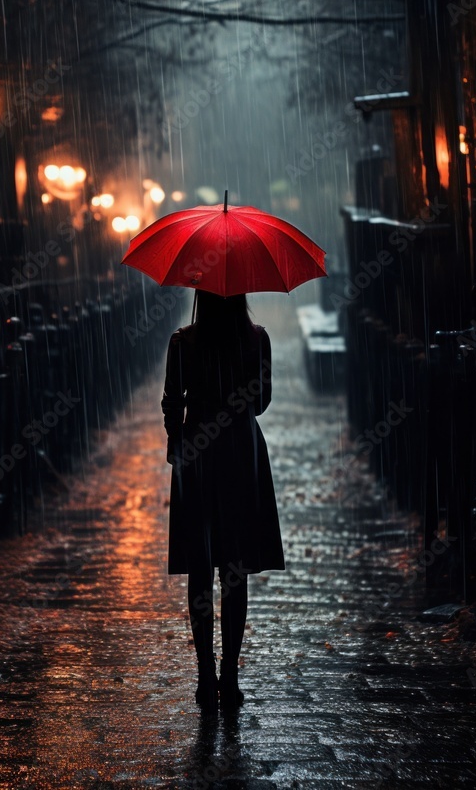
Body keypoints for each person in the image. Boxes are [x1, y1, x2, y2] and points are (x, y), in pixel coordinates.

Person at [161, 289, 285, 713]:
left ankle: (204, 676)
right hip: (239, 450)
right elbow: (262, 402)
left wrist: (178, 441)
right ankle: (229, 677)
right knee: (235, 569)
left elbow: (170, 403)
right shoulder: (256, 339)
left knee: (201, 567)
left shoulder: (182, 342)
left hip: (197, 453)